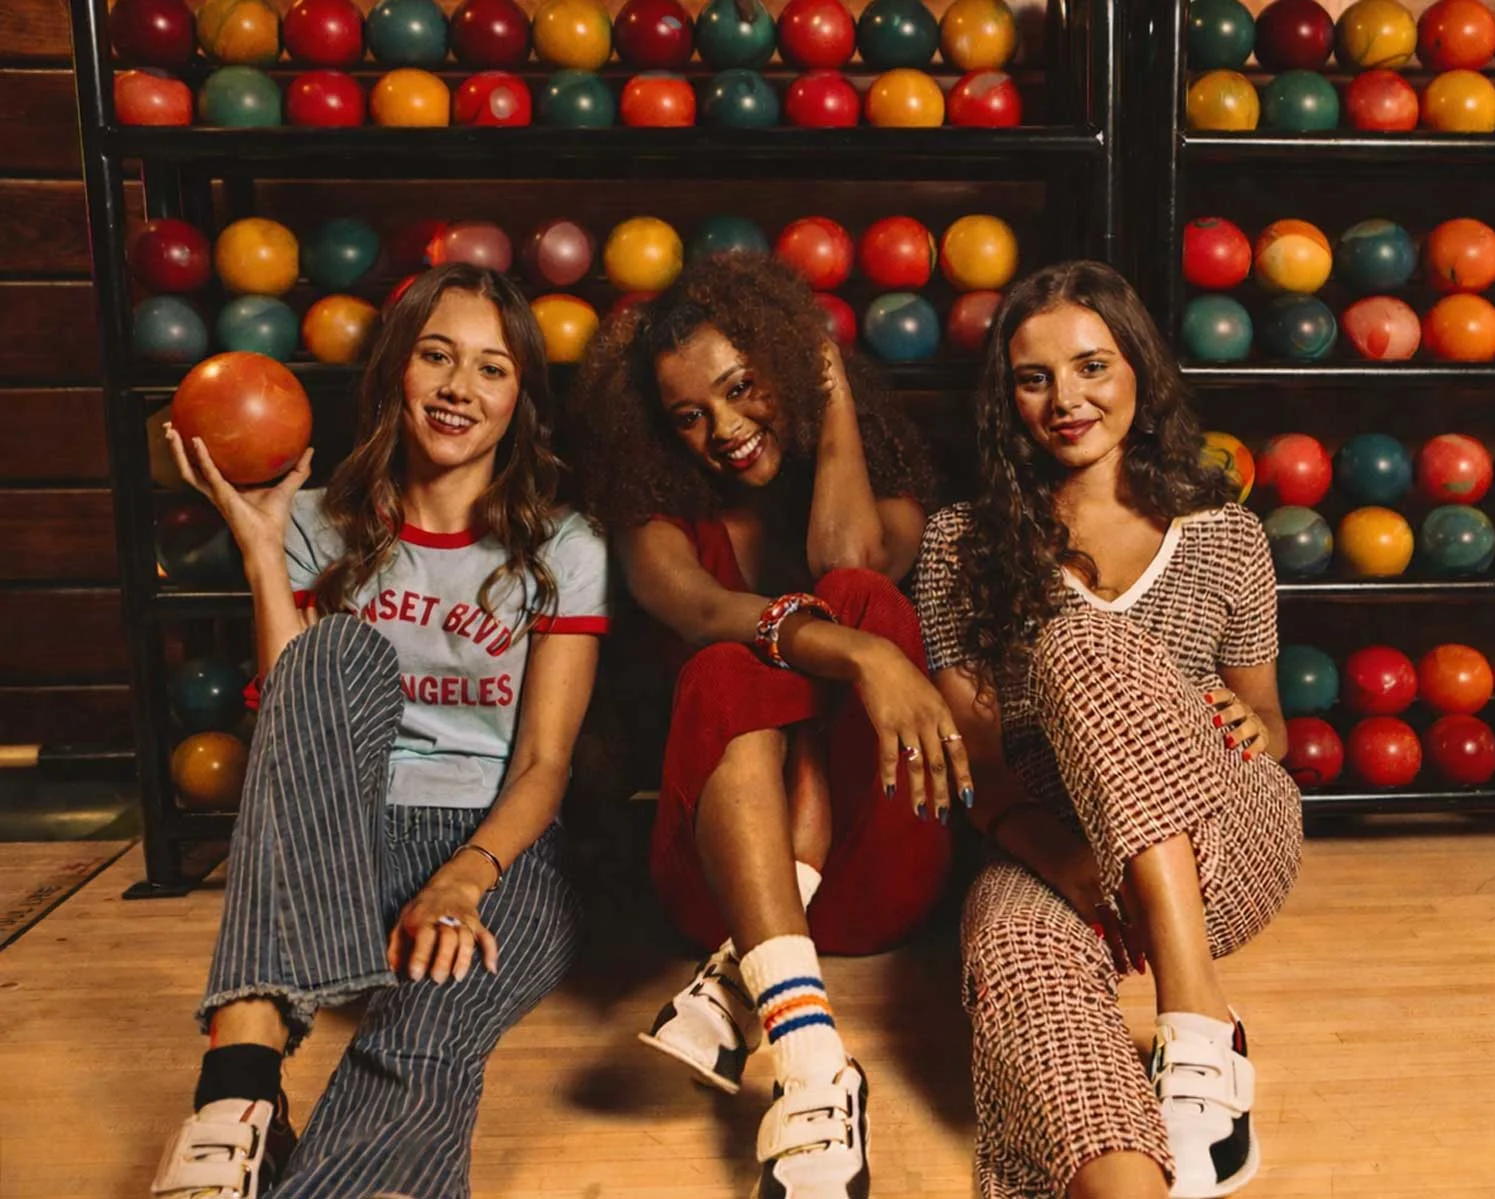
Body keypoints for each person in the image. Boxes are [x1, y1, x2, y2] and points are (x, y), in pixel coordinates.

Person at [150, 263, 610, 1199]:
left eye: (491, 369)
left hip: (496, 843)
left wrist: (462, 878)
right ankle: (236, 1102)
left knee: (428, 1026)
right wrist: (263, 545)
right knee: (334, 655)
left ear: (519, 399)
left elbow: (544, 762)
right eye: (436, 356)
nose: (458, 389)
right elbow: (298, 725)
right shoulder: (319, 524)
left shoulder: (564, 545)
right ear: (395, 370)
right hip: (346, 827)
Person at [569, 252, 963, 1199]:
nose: (728, 430)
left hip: (880, 872)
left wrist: (826, 390)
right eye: (690, 415)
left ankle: (743, 986)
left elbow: (845, 559)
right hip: (719, 887)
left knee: (860, 596)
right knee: (721, 664)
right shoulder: (655, 518)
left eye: (746, 388)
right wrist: (861, 661)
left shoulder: (880, 489)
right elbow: (707, 612)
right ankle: (810, 1058)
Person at [914, 260, 1305, 1199]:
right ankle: (1134, 1179)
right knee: (1006, 946)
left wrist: (1250, 727)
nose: (1066, 400)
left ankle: (1194, 1018)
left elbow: (1274, 729)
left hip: (1222, 836)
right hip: (1054, 848)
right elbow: (985, 771)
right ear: (1007, 398)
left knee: (1082, 647)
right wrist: (1066, 860)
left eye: (1093, 366)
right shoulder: (959, 544)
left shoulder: (1224, 534)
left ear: (1139, 369)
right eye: (1034, 377)